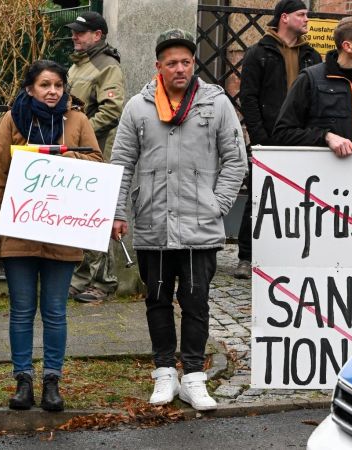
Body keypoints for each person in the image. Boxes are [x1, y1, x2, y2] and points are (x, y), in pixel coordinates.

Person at [110, 29, 246, 411]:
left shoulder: (215, 103)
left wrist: (216, 204)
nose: (181, 68)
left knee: (196, 302)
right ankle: (164, 372)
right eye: (172, 63)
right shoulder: (138, 106)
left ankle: (194, 378)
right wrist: (119, 212)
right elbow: (122, 162)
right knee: (156, 299)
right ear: (159, 67)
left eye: (186, 61)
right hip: (153, 222)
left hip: (199, 226)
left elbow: (236, 159)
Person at [0, 60, 103, 412]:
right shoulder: (12, 119)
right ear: (30, 88)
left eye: (58, 85)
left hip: (62, 231)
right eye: (45, 85)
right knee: (21, 310)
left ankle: (52, 381)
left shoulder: (77, 120)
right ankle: (22, 380)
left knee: (55, 310)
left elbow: (96, 159)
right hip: (19, 231)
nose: (52, 91)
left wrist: (63, 158)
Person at [235, 0, 320, 280]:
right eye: (301, 14)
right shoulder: (259, 53)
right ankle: (246, 257)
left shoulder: (311, 55)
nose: (307, 19)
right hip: (268, 138)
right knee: (260, 197)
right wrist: (260, 138)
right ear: (284, 18)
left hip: (301, 139)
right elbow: (248, 98)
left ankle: (292, 254)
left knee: (302, 197)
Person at [65, 11, 126, 303]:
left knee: (98, 214)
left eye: (81, 32)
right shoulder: (78, 65)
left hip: (97, 151)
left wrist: (81, 133)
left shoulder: (106, 66)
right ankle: (80, 278)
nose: (75, 36)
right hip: (78, 151)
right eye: (74, 32)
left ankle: (104, 282)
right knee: (80, 214)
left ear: (97, 35)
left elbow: (112, 110)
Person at [273, 16, 352, 156]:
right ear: (347, 46)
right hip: (321, 174)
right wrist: (325, 137)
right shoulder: (311, 79)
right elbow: (282, 133)